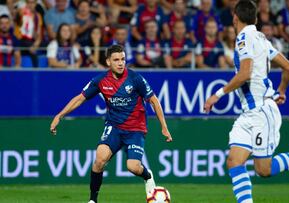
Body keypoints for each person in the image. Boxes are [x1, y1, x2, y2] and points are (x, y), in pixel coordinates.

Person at [204, 1, 289, 203]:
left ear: (235, 17)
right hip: (249, 112)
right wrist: (280, 90)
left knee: (263, 170)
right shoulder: (261, 38)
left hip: (261, 112)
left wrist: (217, 94)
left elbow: (245, 73)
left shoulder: (244, 37)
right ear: (255, 19)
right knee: (234, 161)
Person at [49, 44, 173, 203]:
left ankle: (147, 175)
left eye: (123, 59)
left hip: (135, 129)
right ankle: (93, 200)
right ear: (108, 62)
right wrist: (60, 115)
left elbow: (154, 101)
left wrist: (164, 127)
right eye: (116, 60)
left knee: (133, 167)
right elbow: (80, 98)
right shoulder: (100, 80)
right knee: (99, 159)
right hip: (114, 126)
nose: (121, 63)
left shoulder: (135, 78)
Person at [14, 0, 43, 67]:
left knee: (34, 49)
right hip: (19, 40)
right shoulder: (21, 12)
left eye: (32, 2)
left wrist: (35, 45)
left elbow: (38, 35)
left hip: (30, 41)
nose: (30, 5)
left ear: (36, 4)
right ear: (26, 3)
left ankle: (36, 74)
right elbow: (16, 20)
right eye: (28, 2)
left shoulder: (37, 16)